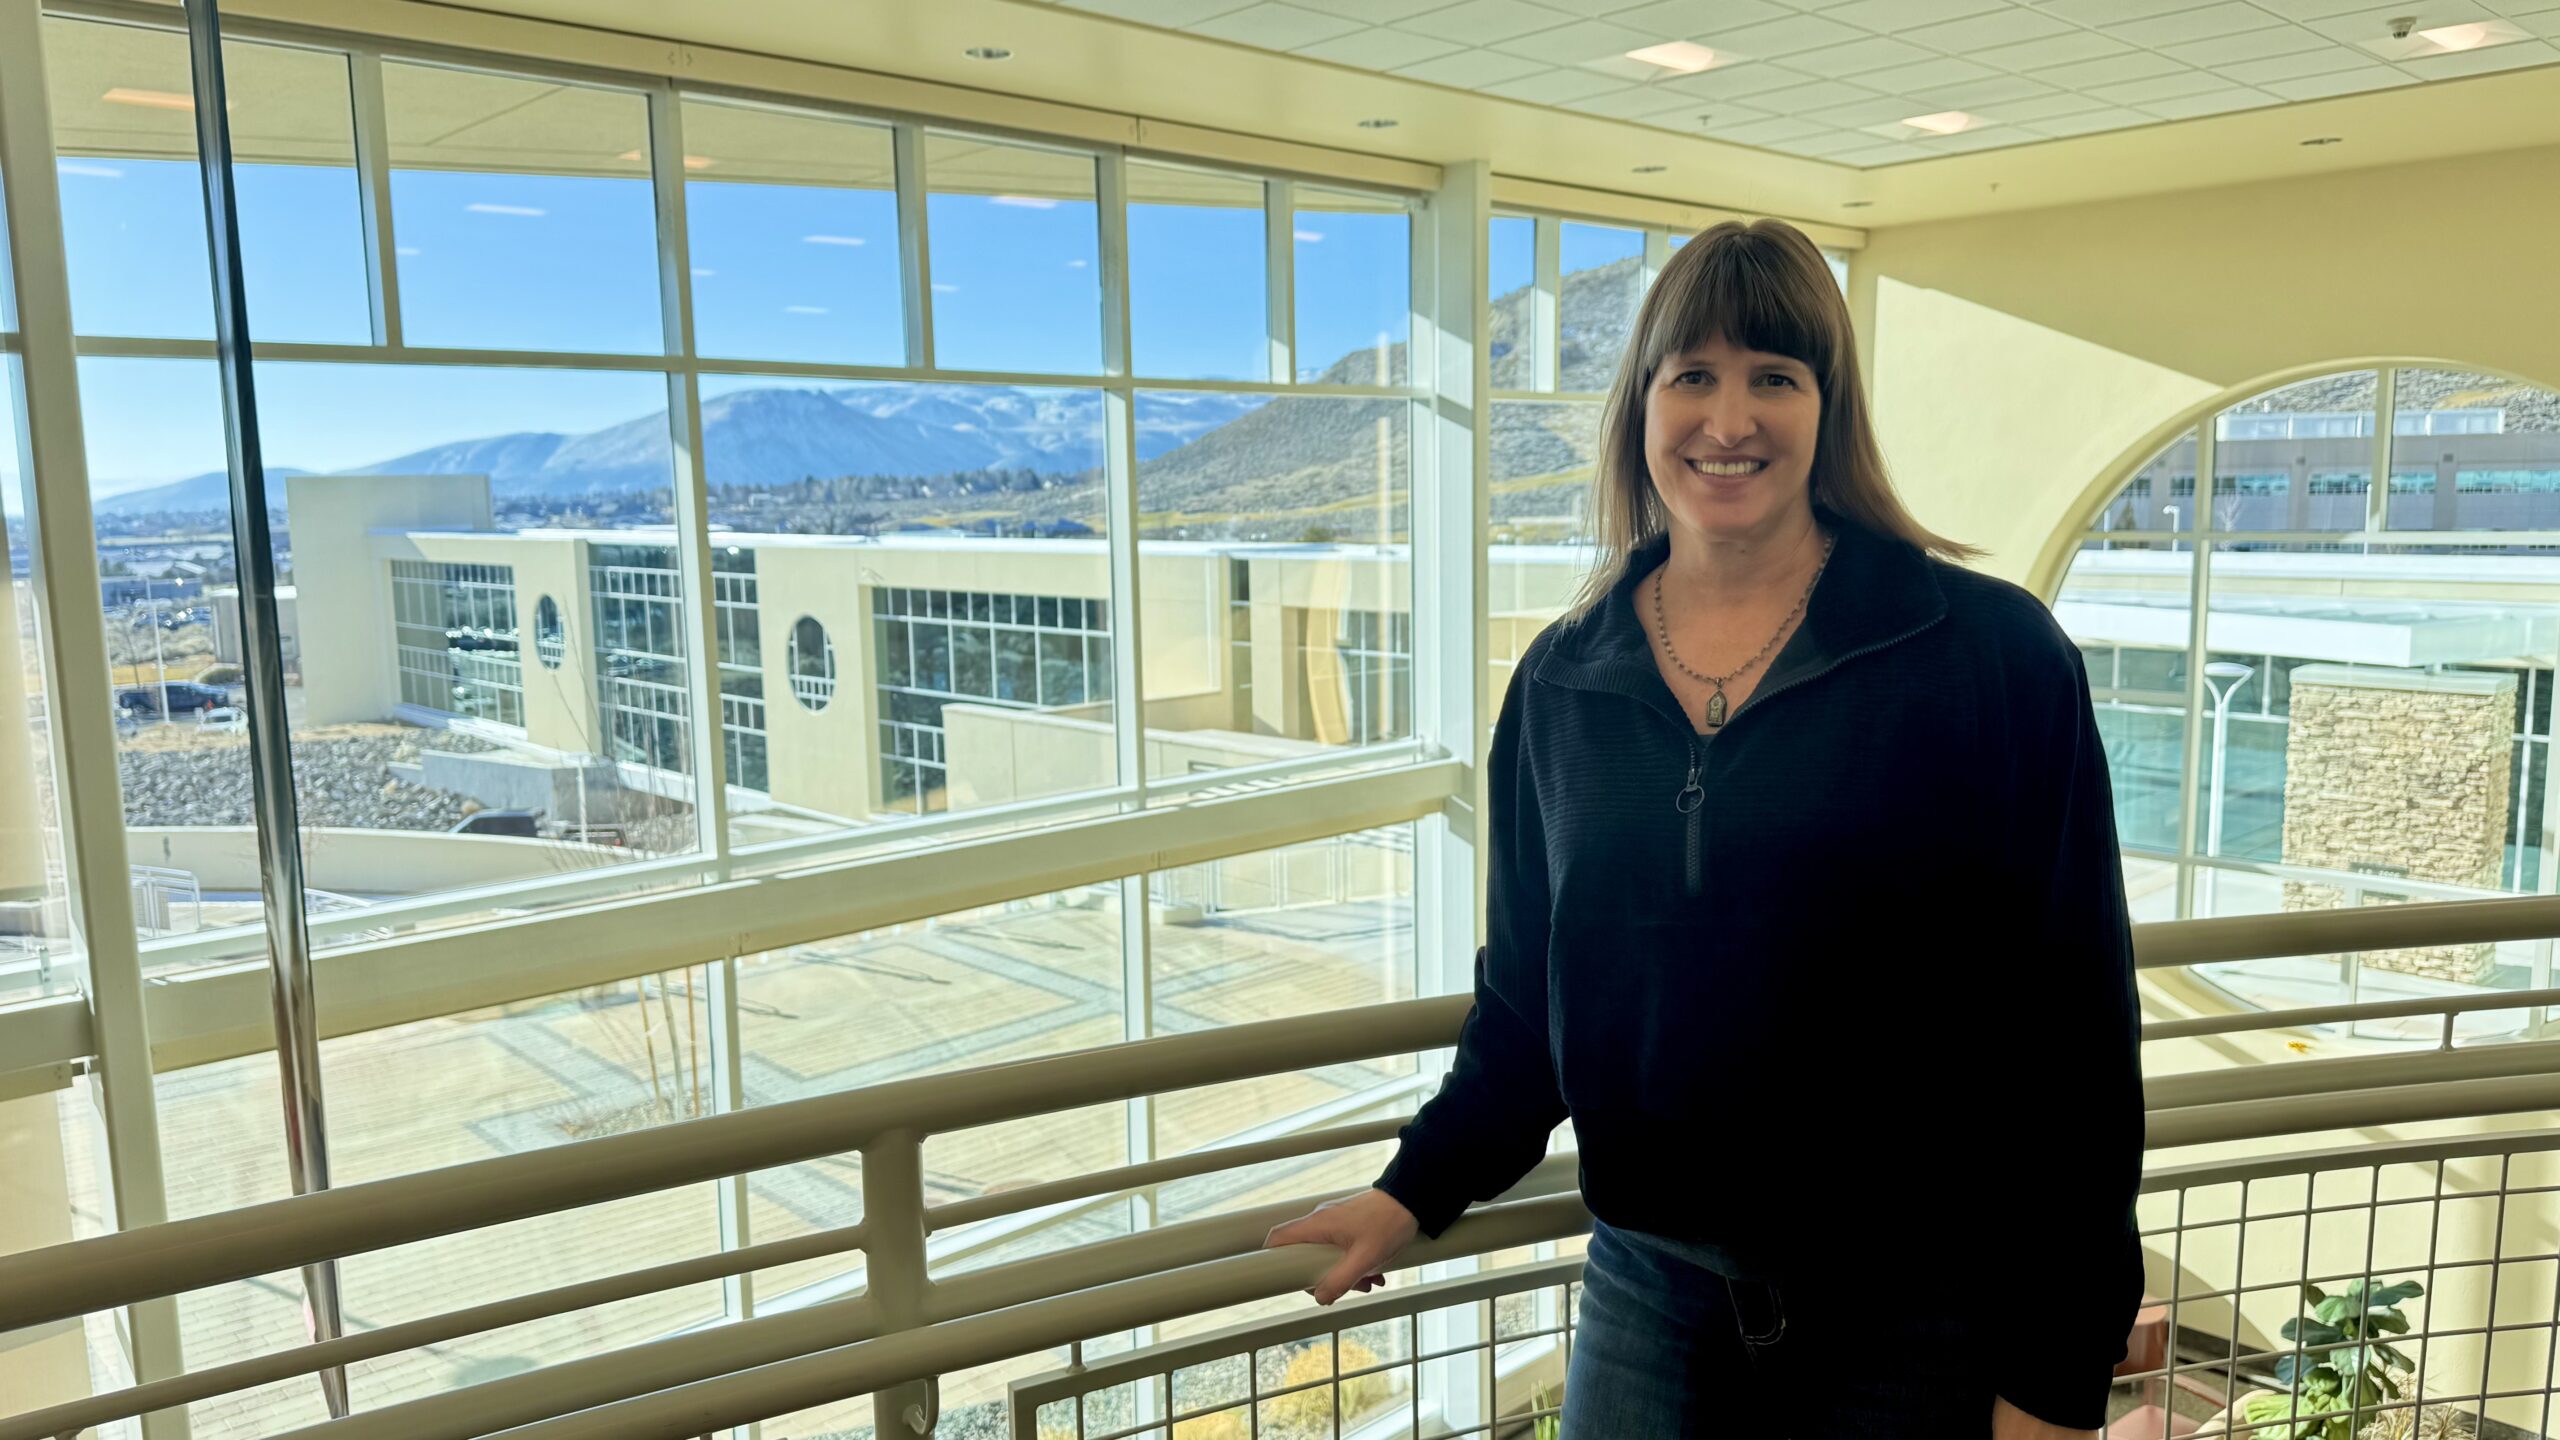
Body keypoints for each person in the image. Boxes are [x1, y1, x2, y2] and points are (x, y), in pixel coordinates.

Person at [1264, 218, 2144, 1438]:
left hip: (1918, 1312)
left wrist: (2054, 1375)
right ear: (1639, 406)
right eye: (1694, 378)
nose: (1729, 422)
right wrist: (1411, 1191)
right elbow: (1529, 1004)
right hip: (1647, 1302)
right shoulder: (1564, 684)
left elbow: (2073, 1039)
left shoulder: (1984, 657)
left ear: (1828, 412)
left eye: (1773, 378)